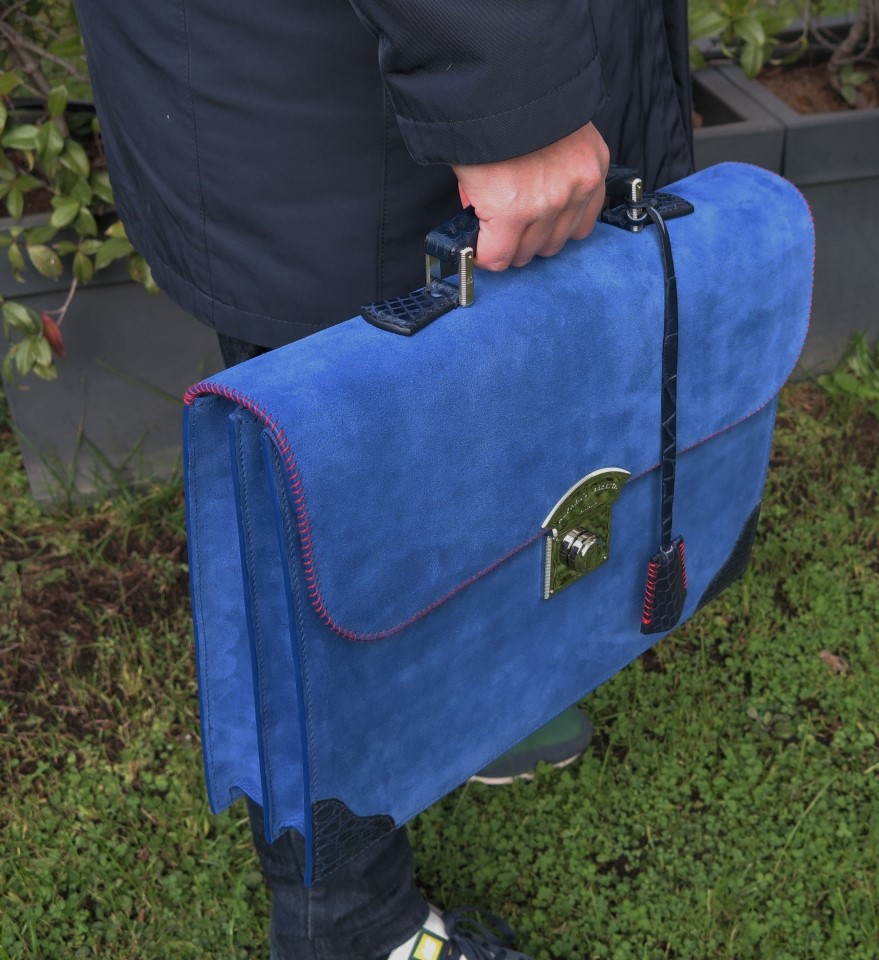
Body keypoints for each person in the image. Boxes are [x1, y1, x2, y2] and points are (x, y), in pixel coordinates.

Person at [73, 2, 695, 957]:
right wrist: (512, 95)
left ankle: (472, 696)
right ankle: (352, 923)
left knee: (496, 398)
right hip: (335, 72)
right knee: (325, 492)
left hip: (466, 57)